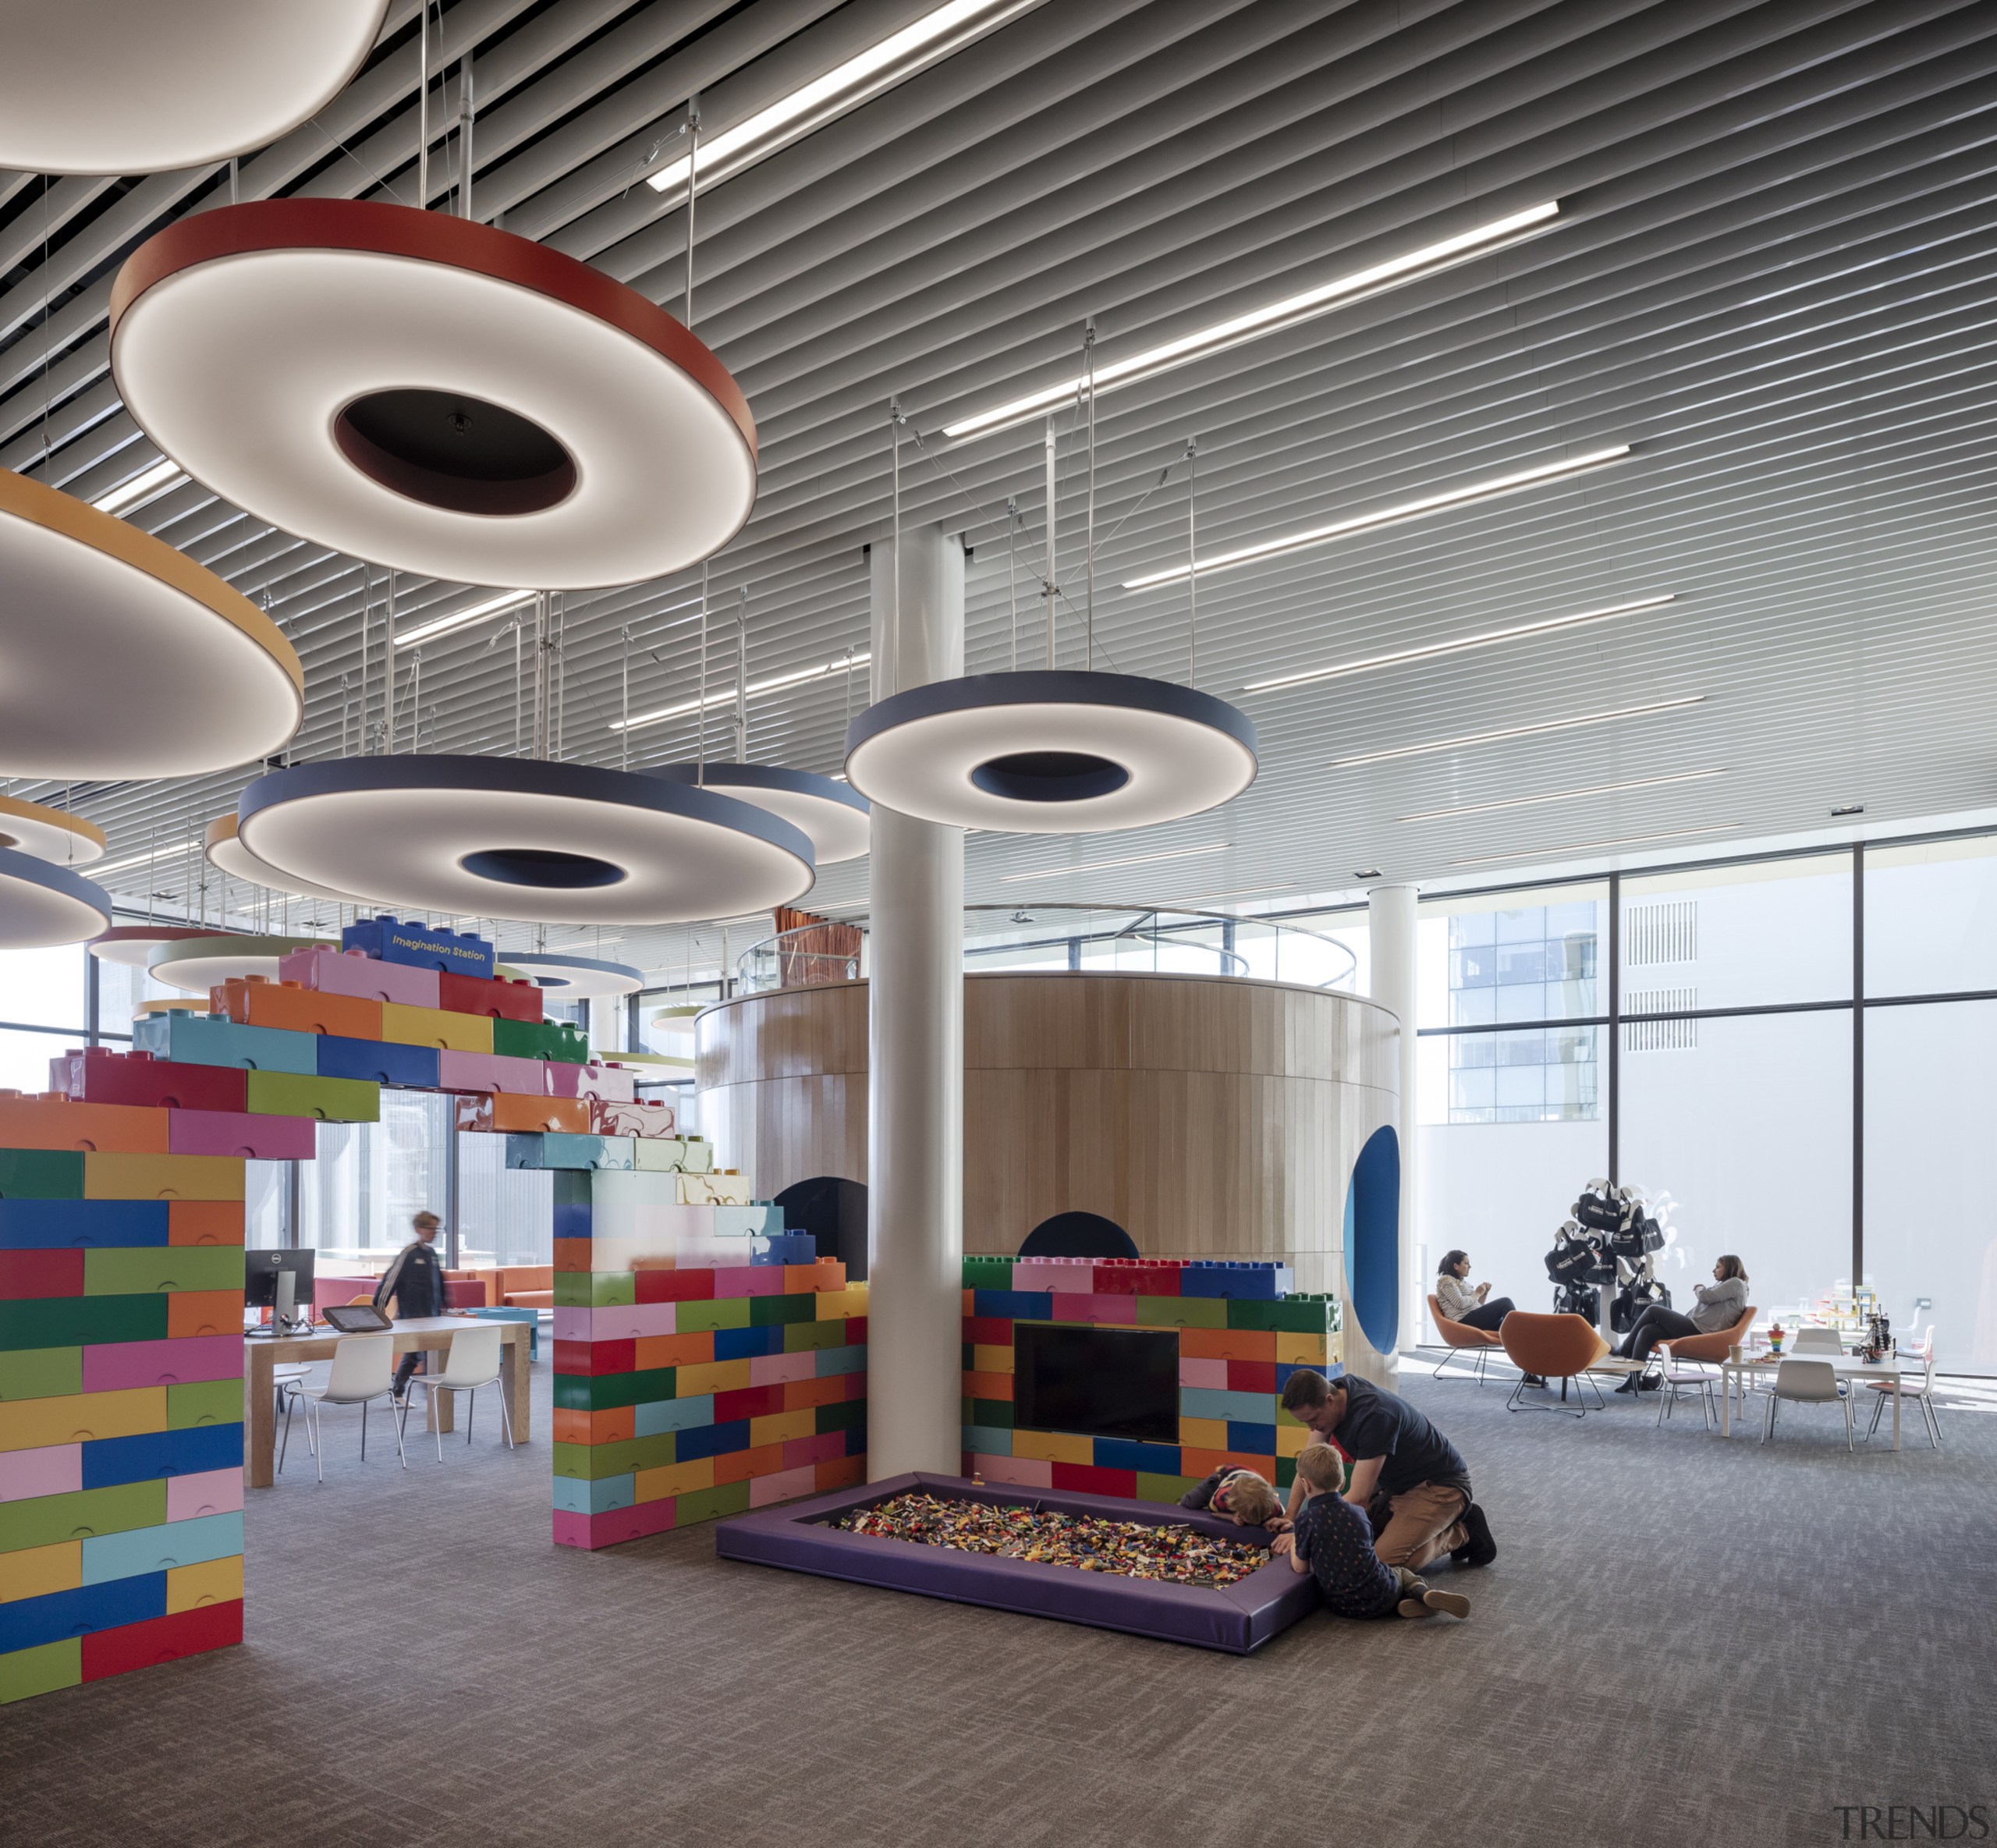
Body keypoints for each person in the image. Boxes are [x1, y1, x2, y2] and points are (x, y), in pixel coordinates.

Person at [1279, 1368, 1495, 1571]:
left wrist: (1305, 1533)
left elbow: (1359, 1497)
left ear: (1329, 1400)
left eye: (1314, 1419)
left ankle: (1463, 1530)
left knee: (1380, 1565)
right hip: (1396, 1483)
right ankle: (1424, 1521)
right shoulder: (1333, 1394)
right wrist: (1291, 1516)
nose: (1312, 1428)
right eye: (1305, 1422)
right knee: (1351, 1542)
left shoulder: (1375, 1415)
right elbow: (1308, 1467)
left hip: (1440, 1486)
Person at [1273, 1442, 1469, 1620]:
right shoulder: (1359, 1513)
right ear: (1342, 1483)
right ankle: (1422, 1593)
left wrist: (1295, 1543)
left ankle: (1413, 1604)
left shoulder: (1306, 1520)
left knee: (1384, 1578)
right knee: (1401, 1573)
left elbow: (1300, 1568)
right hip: (1382, 1593)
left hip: (1342, 1605)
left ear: (1305, 1484)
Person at [1612, 1254, 1750, 1392]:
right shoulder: (1728, 1285)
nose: (1714, 1270)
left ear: (1730, 1268)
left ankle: (1625, 1349)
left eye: (1718, 1267)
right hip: (1698, 1328)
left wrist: (1700, 1288)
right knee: (1648, 1331)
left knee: (1653, 1310)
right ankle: (1634, 1379)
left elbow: (1706, 1297)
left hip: (1703, 1333)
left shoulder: (1736, 1283)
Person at [1435, 1249, 1542, 1386]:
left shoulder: (1463, 1283)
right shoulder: (1446, 1281)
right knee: (1505, 1303)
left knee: (1519, 1332)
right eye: (1466, 1263)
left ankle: (1529, 1373)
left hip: (1472, 1318)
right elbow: (1461, 1304)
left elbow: (1476, 1305)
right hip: (1462, 1323)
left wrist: (1483, 1295)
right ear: (1456, 1266)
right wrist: (1478, 1292)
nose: (1470, 1267)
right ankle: (1527, 1363)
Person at [374, 1210, 449, 1401]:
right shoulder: (408, 1253)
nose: (434, 1232)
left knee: (414, 1355)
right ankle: (434, 1396)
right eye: (430, 1228)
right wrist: (378, 1310)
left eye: (436, 1228)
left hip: (431, 1316)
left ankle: (398, 1391)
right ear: (418, 1229)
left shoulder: (432, 1254)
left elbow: (439, 1284)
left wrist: (445, 1306)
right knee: (426, 1355)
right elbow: (390, 1281)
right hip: (412, 1316)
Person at [1179, 1465, 1286, 1528]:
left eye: (1262, 1518)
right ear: (1235, 1508)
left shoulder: (1274, 1505)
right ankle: (1183, 1501)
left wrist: (1272, 1521)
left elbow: (1283, 1517)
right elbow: (1213, 1511)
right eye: (1249, 1518)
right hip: (1222, 1476)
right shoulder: (1222, 1498)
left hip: (1252, 1476)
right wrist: (1232, 1517)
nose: (1257, 1523)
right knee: (1191, 1502)